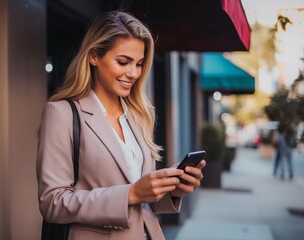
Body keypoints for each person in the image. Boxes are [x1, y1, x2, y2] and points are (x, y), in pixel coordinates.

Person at [36, 10, 206, 240]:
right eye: (123, 62)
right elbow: (52, 202)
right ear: (94, 56)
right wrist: (130, 194)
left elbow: (143, 203)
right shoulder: (62, 113)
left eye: (139, 63)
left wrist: (170, 188)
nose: (134, 73)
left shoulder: (137, 115)